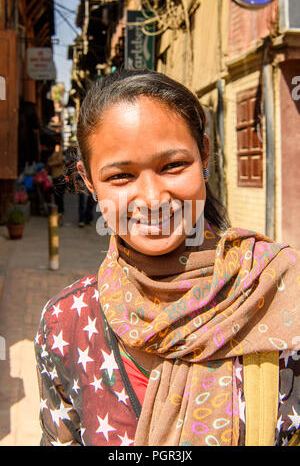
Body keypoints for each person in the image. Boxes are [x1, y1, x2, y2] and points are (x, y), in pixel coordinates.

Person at [35, 70, 300, 447]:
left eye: (173, 166)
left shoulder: (277, 289)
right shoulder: (68, 324)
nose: (153, 198)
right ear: (89, 181)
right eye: (121, 176)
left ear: (204, 154)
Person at [47, 142, 66, 226]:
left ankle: (60, 213)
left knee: (59, 196)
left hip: (59, 176)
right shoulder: (54, 153)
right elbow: (50, 160)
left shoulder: (60, 152)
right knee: (56, 196)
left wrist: (50, 163)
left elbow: (58, 161)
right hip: (55, 176)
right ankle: (58, 213)